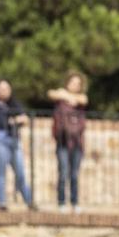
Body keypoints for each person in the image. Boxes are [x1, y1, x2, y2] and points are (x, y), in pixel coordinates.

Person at [0, 80, 32, 212]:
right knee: (1, 173)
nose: (3, 91)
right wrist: (13, 120)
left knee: (21, 174)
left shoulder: (14, 104)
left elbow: (24, 118)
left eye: (6, 88)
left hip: (14, 141)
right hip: (0, 142)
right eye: (1, 88)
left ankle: (29, 201)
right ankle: (2, 203)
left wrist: (15, 120)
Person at [47, 74, 88, 210]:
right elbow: (51, 93)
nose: (75, 85)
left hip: (77, 142)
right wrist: (67, 96)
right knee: (63, 172)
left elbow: (84, 99)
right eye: (73, 82)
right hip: (63, 140)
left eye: (78, 83)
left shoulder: (81, 99)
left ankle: (75, 202)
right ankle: (62, 202)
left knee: (74, 174)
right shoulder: (61, 96)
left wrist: (72, 97)